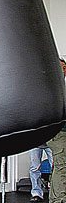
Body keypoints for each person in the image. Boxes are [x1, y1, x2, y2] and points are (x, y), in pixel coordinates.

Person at [48, 58, 66, 203]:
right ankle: (59, 199)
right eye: (61, 67)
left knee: (58, 166)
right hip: (58, 133)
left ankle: (55, 197)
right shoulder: (51, 87)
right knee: (61, 166)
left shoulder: (60, 86)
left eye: (65, 67)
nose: (63, 70)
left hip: (60, 132)